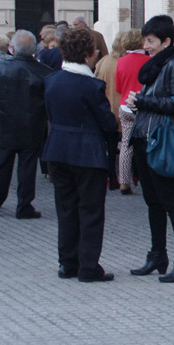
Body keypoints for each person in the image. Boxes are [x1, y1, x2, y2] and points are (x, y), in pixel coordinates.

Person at [41, 28, 118, 282]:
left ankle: (67, 262)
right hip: (87, 153)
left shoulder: (51, 81)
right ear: (88, 56)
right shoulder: (92, 86)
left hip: (58, 149)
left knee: (66, 209)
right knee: (90, 210)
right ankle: (87, 266)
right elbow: (107, 123)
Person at [124, 15, 174, 283]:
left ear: (166, 41)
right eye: (146, 41)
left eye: (151, 41)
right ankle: (157, 255)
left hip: (160, 140)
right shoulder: (157, 65)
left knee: (170, 201)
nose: (147, 46)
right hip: (145, 137)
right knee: (153, 201)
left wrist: (143, 100)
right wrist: (139, 102)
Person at [0, 30, 53, 218]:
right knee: (27, 168)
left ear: (12, 48)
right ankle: (23, 205)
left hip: (3, 124)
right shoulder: (45, 72)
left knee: (0, 165)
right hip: (32, 126)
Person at [115, 29, 150, 195]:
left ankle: (123, 181)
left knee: (126, 146)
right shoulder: (148, 60)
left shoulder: (121, 61)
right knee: (147, 144)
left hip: (125, 105)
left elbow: (118, 87)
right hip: (144, 107)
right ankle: (148, 179)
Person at [94, 32, 125, 191]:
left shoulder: (104, 61)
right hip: (121, 107)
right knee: (125, 146)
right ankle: (124, 177)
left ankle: (110, 175)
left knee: (110, 146)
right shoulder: (123, 62)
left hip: (106, 108)